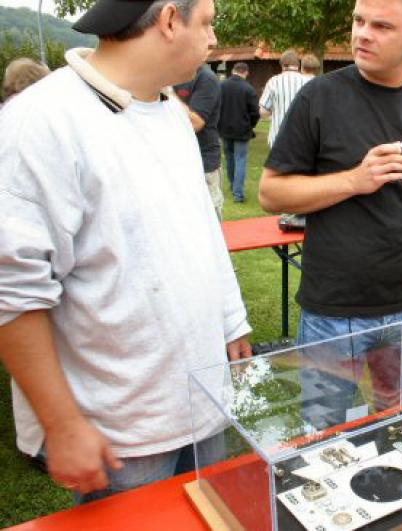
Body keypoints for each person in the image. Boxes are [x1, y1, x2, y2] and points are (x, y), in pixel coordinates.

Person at [0, 0, 252, 502]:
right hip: (122, 430)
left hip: (202, 400)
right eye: (207, 23)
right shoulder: (40, 121)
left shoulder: (170, 112)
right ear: (170, 20)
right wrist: (62, 423)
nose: (213, 40)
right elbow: (13, 291)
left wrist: (232, 319)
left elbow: (201, 228)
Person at [259, 0, 402, 427]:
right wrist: (354, 180)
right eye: (358, 21)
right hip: (330, 314)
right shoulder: (319, 97)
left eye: (381, 26)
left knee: (398, 429)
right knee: (323, 439)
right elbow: (271, 192)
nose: (362, 34)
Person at [174, 64, 224, 220]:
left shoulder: (205, 78)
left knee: (209, 218)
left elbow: (196, 123)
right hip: (175, 161)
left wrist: (168, 93)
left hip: (204, 162)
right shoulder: (171, 75)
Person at [219, 61, 259, 203]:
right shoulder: (248, 89)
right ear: (246, 72)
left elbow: (216, 106)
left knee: (229, 158)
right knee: (240, 159)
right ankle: (238, 194)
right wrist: (251, 125)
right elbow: (255, 112)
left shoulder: (221, 86)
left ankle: (232, 185)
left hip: (224, 129)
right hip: (242, 130)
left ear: (233, 71)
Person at [260, 49, 310, 147]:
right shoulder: (308, 82)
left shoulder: (273, 81)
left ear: (282, 65)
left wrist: (276, 109)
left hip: (278, 137)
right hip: (302, 137)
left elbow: (263, 112)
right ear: (298, 65)